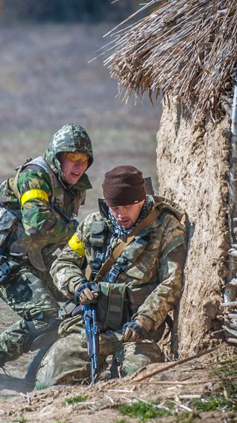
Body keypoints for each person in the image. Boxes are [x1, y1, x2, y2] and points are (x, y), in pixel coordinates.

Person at [0, 123, 93, 396]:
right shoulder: (35, 176)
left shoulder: (74, 187)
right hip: (0, 261)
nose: (79, 166)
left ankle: (38, 375)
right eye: (73, 159)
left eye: (84, 160)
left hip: (33, 259)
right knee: (44, 315)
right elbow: (38, 223)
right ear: (57, 157)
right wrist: (82, 234)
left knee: (81, 301)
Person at [34, 165, 187, 388]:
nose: (120, 214)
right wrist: (75, 284)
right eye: (114, 207)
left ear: (142, 200)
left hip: (136, 332)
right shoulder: (93, 225)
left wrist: (143, 320)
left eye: (128, 206)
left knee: (136, 381)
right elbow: (63, 262)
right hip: (91, 326)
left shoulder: (167, 228)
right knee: (50, 380)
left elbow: (171, 281)